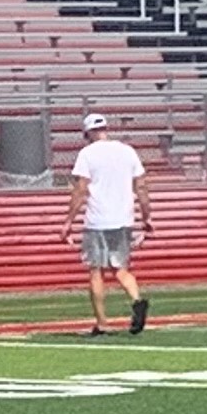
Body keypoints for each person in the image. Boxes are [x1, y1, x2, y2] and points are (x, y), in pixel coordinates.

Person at [67, 112, 149, 337]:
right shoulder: (127, 151)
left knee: (96, 271)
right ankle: (137, 299)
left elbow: (81, 189)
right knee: (121, 269)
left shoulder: (87, 154)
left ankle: (102, 322)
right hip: (123, 217)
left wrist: (68, 221)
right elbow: (141, 187)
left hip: (98, 219)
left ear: (88, 133)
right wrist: (146, 217)